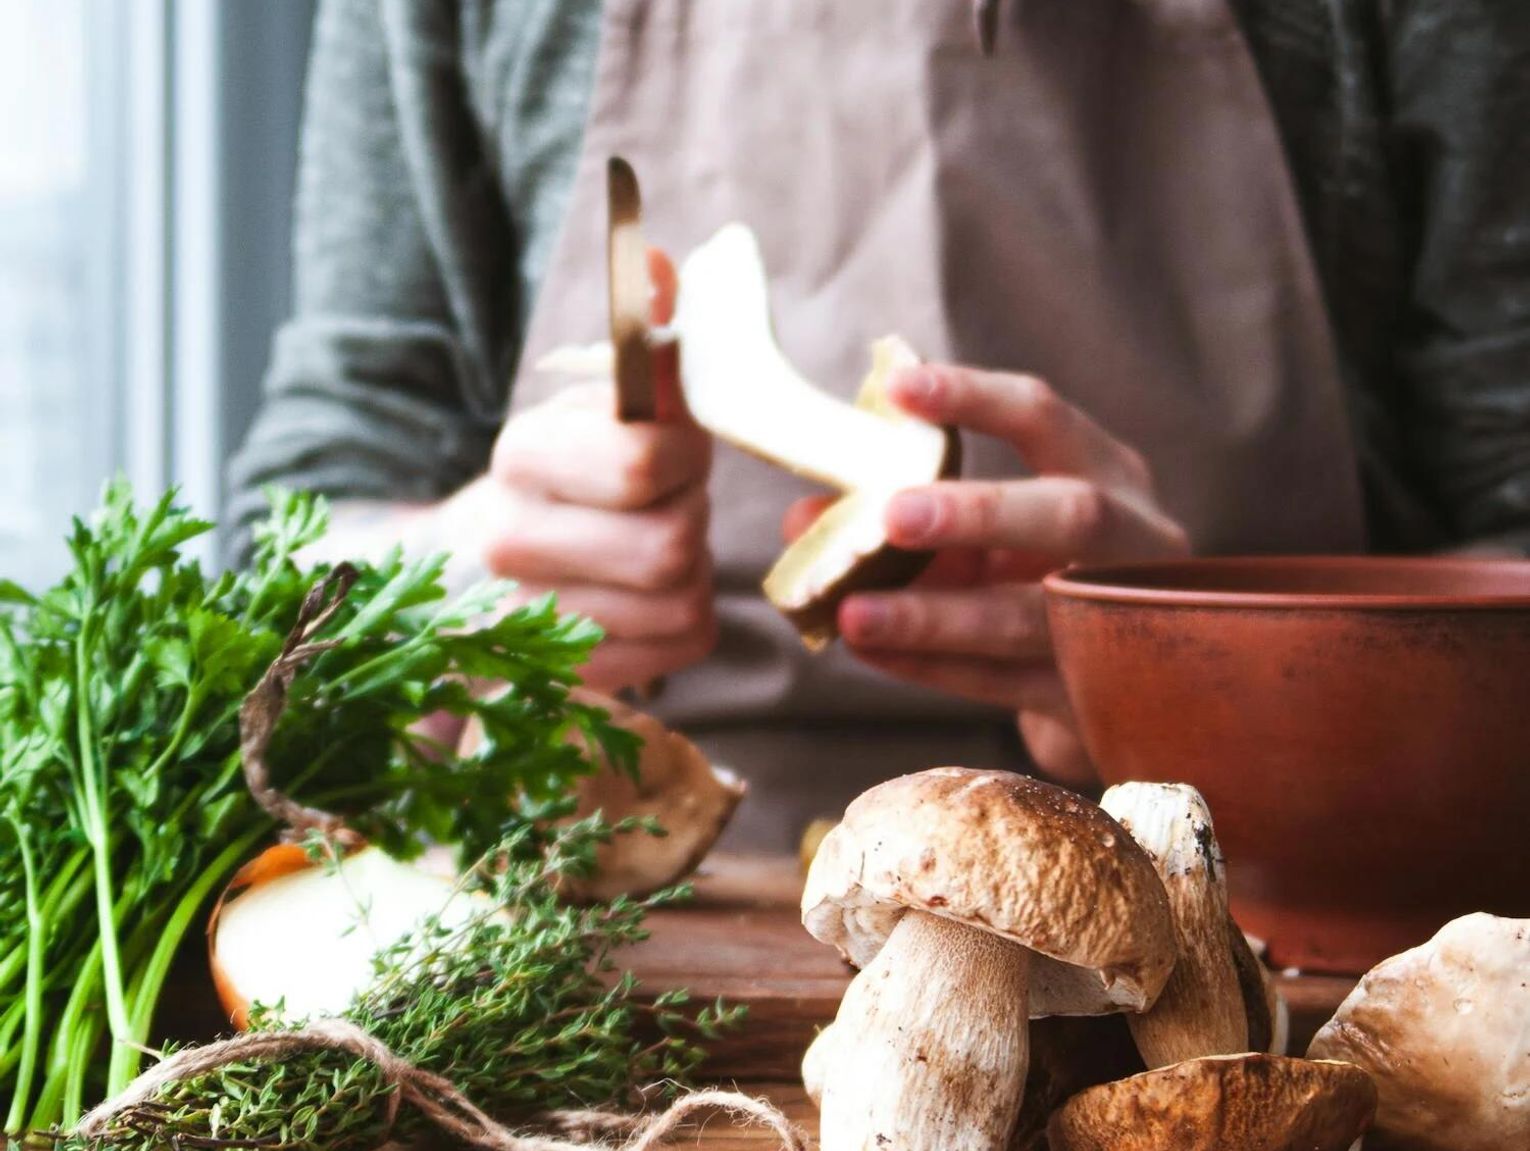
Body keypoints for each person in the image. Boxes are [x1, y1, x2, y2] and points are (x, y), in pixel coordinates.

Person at [229, 0, 1530, 848]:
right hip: (611, 929)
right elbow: (290, 528)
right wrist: (447, 590)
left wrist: (1223, 677)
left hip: (1249, 911)